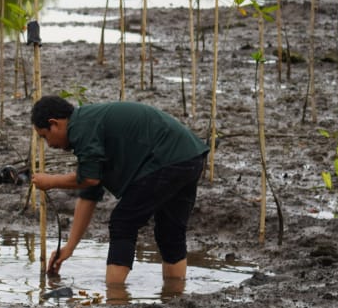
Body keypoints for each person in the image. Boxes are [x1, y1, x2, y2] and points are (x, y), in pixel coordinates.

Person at [30, 95, 207, 286]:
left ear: (54, 124)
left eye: (44, 136)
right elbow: (89, 192)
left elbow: (89, 178)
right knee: (170, 231)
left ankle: (115, 297)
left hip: (167, 159)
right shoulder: (88, 126)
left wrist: (51, 181)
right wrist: (70, 247)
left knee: (123, 222)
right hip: (190, 156)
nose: (49, 144)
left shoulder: (81, 128)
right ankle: (175, 292)